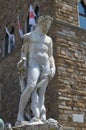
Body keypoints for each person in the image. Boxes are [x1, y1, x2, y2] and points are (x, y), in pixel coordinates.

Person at [16, 15, 56, 124]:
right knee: (31, 85)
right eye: (47, 25)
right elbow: (24, 53)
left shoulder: (49, 39)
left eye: (49, 26)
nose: (48, 28)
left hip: (46, 64)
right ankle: (20, 114)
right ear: (40, 23)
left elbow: (50, 55)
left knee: (42, 92)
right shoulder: (29, 36)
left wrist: (54, 67)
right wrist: (22, 61)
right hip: (34, 63)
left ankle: (40, 116)